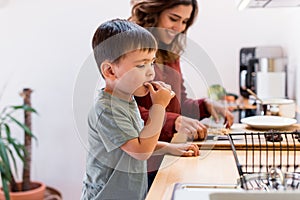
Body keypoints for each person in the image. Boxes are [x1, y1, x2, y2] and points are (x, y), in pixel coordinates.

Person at [81, 19, 200, 200]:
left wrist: (169, 147)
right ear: (110, 71)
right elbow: (140, 150)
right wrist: (159, 106)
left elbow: (137, 140)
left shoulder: (127, 101)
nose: (150, 72)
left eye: (151, 63)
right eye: (141, 65)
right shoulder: (107, 109)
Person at [129, 0, 234, 186]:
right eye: (173, 19)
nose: (179, 28)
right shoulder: (131, 45)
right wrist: (174, 120)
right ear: (155, 12)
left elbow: (178, 103)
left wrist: (206, 106)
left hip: (165, 158)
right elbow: (126, 112)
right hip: (137, 166)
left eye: (184, 22)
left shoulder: (169, 52)